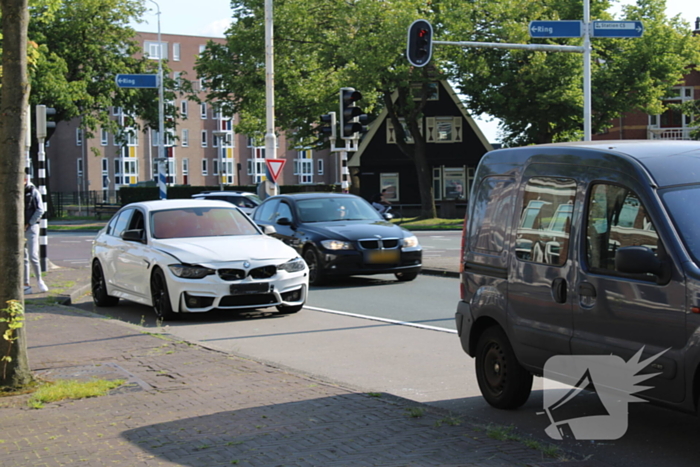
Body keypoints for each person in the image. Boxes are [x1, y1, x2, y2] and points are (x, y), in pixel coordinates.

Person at [24, 174, 48, 294]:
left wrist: (29, 223)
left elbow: (40, 210)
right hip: (19, 229)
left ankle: (39, 280)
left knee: (33, 255)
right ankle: (26, 284)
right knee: (23, 257)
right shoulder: (16, 191)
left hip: (31, 228)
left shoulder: (33, 192)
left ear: (25, 180)